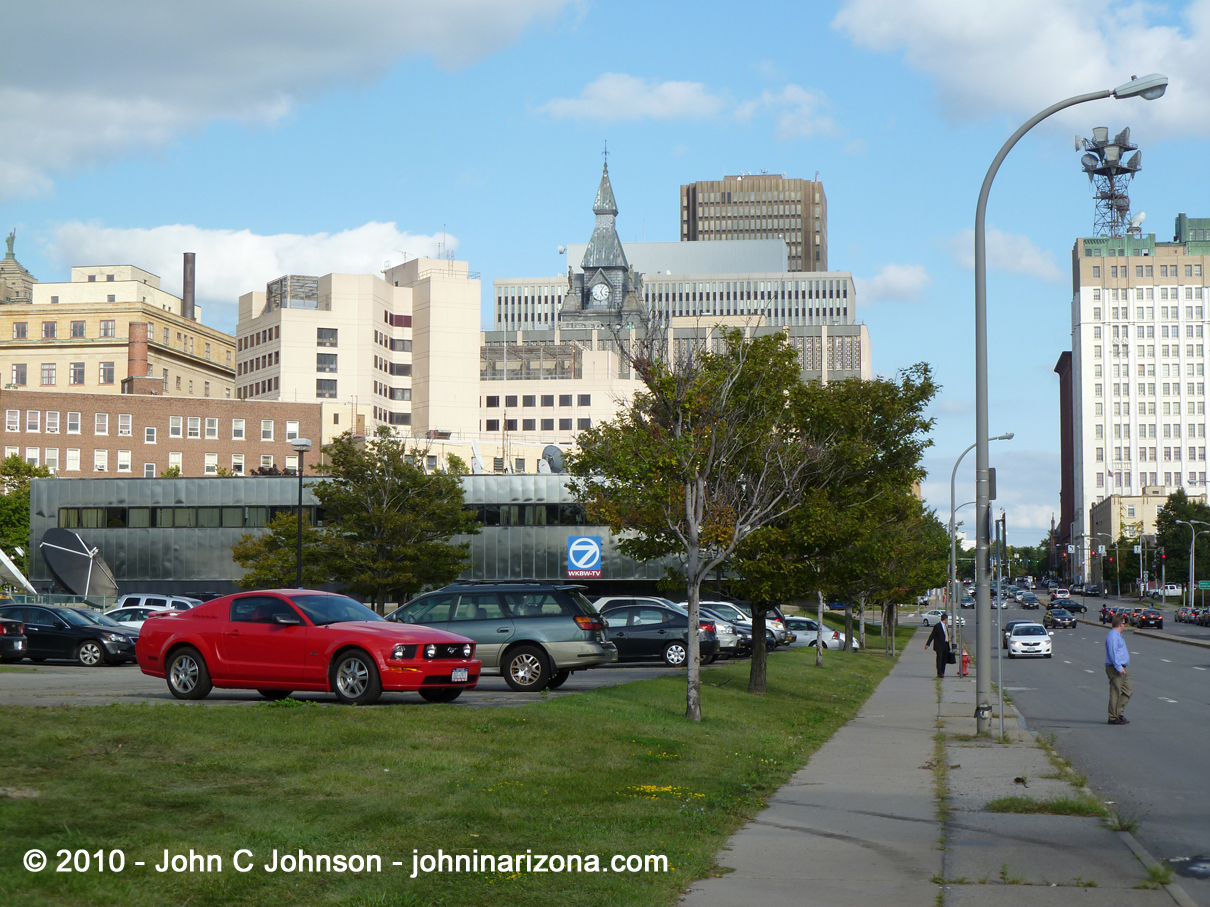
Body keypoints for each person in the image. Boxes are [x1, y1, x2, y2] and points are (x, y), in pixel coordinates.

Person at [1105, 613, 1132, 725]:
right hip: (1116, 668)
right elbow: (1113, 653)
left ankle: (1118, 713)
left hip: (1122, 667)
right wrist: (1118, 667)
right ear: (1120, 624)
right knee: (1115, 692)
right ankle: (1113, 717)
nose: (1125, 626)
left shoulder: (1117, 636)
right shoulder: (1113, 636)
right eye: (1124, 624)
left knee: (1129, 689)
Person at [925, 612, 951, 677]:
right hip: (939, 646)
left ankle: (942, 672)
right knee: (939, 659)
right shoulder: (937, 626)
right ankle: (939, 673)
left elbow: (946, 635)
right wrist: (928, 644)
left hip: (945, 645)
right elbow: (932, 635)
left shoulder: (945, 626)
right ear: (945, 619)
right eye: (947, 619)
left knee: (944, 659)